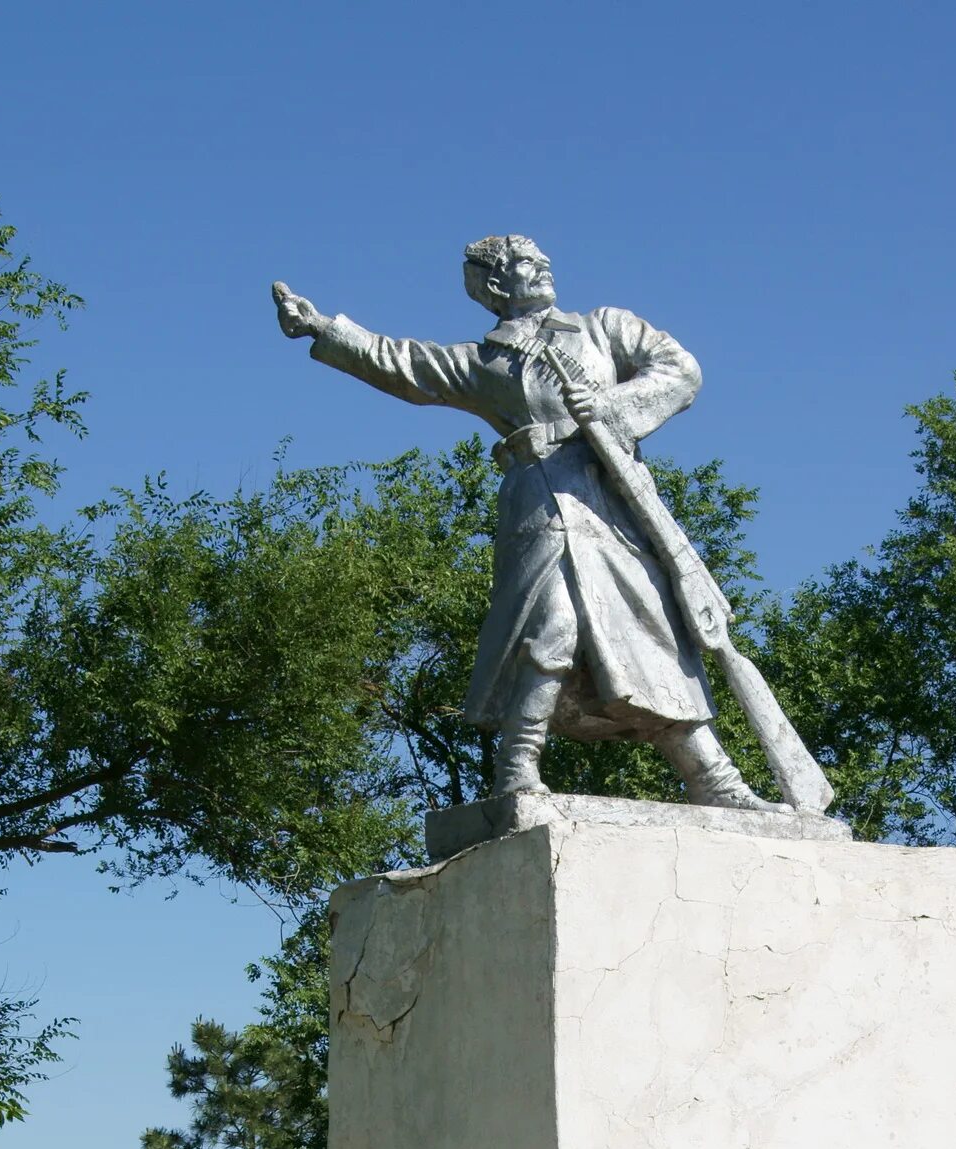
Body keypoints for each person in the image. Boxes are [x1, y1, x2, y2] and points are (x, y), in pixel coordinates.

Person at [274, 236, 770, 809]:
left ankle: (716, 782)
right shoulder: (485, 362)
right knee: (553, 620)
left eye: (542, 260)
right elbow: (405, 362)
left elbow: (680, 370)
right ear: (494, 286)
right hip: (538, 497)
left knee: (650, 633)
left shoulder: (605, 327)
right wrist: (323, 328)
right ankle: (516, 771)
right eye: (525, 264)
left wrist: (610, 407)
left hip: (613, 498)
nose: (543, 268)